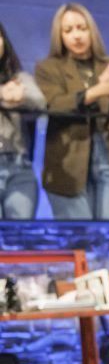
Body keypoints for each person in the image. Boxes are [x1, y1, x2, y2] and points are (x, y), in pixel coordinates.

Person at [35, 3, 109, 220]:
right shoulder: (48, 68)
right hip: (68, 163)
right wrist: (98, 91)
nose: (77, 36)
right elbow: (54, 104)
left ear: (92, 30)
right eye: (68, 30)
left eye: (82, 28)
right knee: (80, 236)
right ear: (60, 36)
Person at [0, 21, 45, 219]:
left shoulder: (19, 78)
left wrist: (21, 98)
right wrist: (3, 94)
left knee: (19, 233)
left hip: (19, 167)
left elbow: (40, 103)